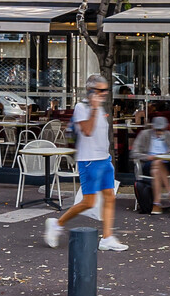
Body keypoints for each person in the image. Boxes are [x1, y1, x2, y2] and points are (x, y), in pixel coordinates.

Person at [46, 74, 126, 253]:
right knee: (89, 202)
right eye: (101, 90)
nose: (105, 93)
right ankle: (57, 224)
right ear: (91, 91)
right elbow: (88, 131)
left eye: (106, 89)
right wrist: (95, 109)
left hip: (104, 159)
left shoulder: (99, 108)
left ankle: (107, 238)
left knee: (110, 197)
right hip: (89, 161)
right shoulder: (82, 107)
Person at [133, 109, 170, 213]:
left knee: (157, 166)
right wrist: (147, 157)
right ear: (153, 127)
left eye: (162, 130)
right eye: (157, 130)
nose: (160, 132)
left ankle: (156, 204)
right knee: (157, 161)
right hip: (148, 164)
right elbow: (134, 153)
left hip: (165, 164)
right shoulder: (144, 135)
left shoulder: (168, 135)